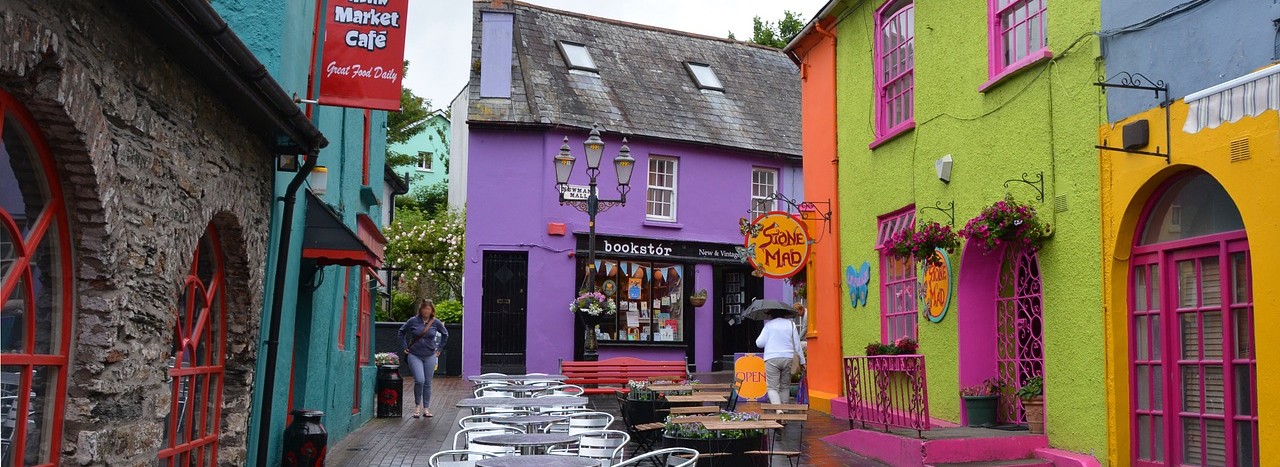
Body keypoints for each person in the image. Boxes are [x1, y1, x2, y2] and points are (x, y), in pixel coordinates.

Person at [399, 299, 449, 418]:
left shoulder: (435, 322)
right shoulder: (413, 321)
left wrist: (439, 349)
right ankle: (417, 406)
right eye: (424, 309)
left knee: (428, 382)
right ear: (420, 309)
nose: (426, 311)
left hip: (430, 354)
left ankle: (426, 408)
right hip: (414, 354)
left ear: (432, 310)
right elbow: (401, 332)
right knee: (419, 380)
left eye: (428, 309)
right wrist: (404, 346)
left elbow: (445, 334)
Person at [755, 308, 805, 406]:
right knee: (785, 386)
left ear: (771, 314)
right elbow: (797, 345)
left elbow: (759, 343)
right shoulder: (791, 324)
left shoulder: (768, 325)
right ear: (785, 314)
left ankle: (778, 410)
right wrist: (803, 362)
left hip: (771, 358)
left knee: (772, 387)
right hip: (787, 357)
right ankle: (785, 410)